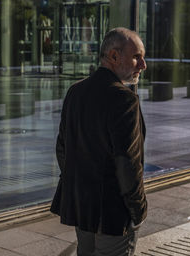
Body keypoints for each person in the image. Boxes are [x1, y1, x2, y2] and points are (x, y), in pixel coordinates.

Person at [50, 27, 148, 256]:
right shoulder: (124, 99)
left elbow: (62, 149)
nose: (143, 65)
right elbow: (128, 164)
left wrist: (80, 188)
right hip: (113, 214)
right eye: (137, 57)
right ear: (114, 56)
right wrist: (138, 209)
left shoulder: (76, 92)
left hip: (81, 207)